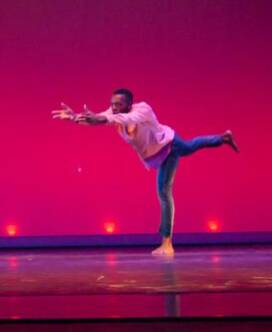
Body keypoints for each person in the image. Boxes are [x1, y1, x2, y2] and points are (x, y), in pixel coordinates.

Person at [52, 88, 238, 257]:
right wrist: (74, 117)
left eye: (119, 104)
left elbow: (114, 119)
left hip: (169, 145)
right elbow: (97, 118)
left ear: (129, 104)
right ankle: (223, 137)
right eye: (112, 104)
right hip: (157, 152)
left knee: (169, 183)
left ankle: (167, 243)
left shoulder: (142, 110)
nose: (114, 108)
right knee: (173, 175)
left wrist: (98, 118)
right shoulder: (113, 113)